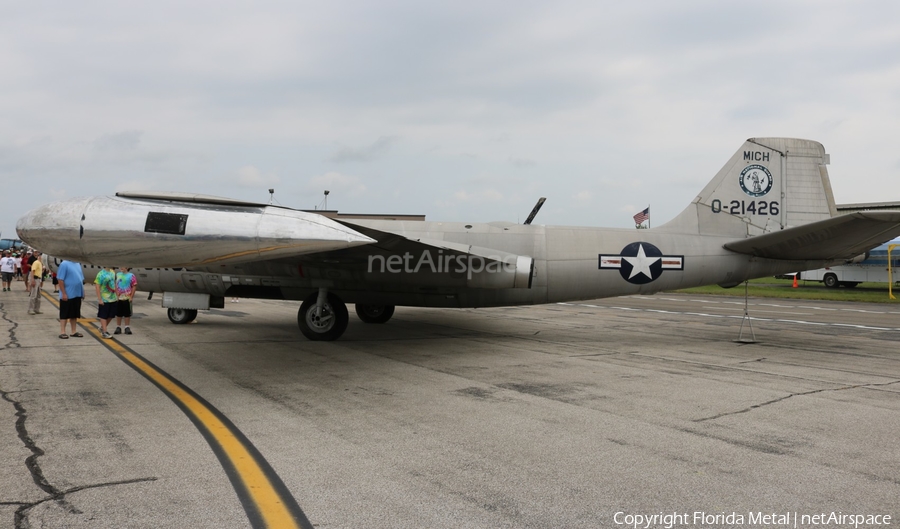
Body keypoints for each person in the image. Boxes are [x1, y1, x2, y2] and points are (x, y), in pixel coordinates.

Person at [57, 259, 86, 339]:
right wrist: (64, 293)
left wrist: (82, 291)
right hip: (68, 294)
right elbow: (60, 279)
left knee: (74, 314)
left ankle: (73, 331)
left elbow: (81, 279)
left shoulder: (77, 264)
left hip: (76, 293)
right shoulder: (64, 264)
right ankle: (63, 331)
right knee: (64, 313)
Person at [94, 266, 117, 339]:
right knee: (103, 315)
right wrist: (99, 299)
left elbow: (114, 283)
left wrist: (117, 294)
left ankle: (102, 328)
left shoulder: (112, 272)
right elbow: (97, 286)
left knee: (111, 315)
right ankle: (104, 331)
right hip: (104, 298)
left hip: (113, 297)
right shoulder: (100, 274)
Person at [113, 267, 137, 335]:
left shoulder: (131, 276)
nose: (121, 268)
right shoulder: (117, 274)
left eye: (123, 266)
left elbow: (134, 286)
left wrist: (131, 296)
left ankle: (127, 327)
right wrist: (116, 292)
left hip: (127, 296)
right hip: (119, 297)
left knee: (127, 313)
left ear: (127, 267)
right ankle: (118, 327)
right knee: (118, 313)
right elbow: (115, 284)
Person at [27, 251, 44, 315]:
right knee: (33, 295)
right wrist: (32, 280)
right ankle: (30, 309)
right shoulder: (36, 263)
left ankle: (37, 309)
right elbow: (32, 271)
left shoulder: (40, 263)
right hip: (35, 278)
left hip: (39, 279)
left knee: (38, 295)